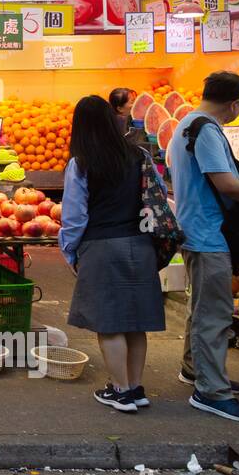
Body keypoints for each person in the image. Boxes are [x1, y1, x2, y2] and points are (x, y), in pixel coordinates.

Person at [166, 71, 239, 423]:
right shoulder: (207, 129)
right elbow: (227, 184)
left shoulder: (186, 123)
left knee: (200, 307)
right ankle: (211, 392)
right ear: (235, 104)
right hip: (208, 233)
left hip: (195, 230)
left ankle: (195, 369)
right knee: (213, 315)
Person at [60, 96, 167, 413]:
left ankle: (119, 391)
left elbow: (75, 215)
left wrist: (70, 252)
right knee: (136, 322)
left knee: (109, 323)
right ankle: (136, 388)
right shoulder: (140, 155)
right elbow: (157, 195)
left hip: (102, 247)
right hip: (141, 245)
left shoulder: (81, 162)